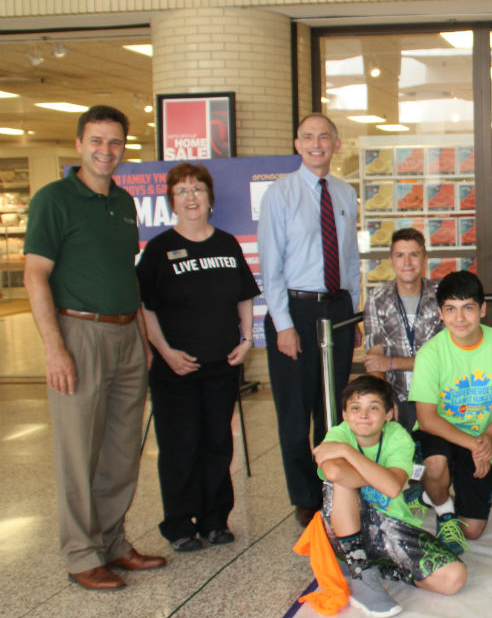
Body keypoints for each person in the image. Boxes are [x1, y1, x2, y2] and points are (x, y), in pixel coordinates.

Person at [23, 105, 166, 590]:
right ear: (79, 143)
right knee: (79, 450)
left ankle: (111, 541)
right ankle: (81, 554)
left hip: (127, 334)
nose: (106, 150)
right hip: (78, 333)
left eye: (115, 142)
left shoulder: (122, 202)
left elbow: (125, 273)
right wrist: (54, 348)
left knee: (122, 450)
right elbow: (35, 275)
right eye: (97, 140)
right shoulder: (54, 199)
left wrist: (142, 338)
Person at [137, 162, 260, 552]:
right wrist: (165, 351)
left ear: (209, 198)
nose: (191, 197)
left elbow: (244, 295)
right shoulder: (158, 250)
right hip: (176, 369)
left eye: (197, 190)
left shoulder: (227, 244)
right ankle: (178, 525)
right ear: (172, 201)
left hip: (221, 365)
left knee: (217, 444)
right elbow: (146, 307)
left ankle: (214, 520)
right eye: (182, 191)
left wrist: (246, 339)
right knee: (181, 446)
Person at [258, 113, 361, 527]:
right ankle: (305, 497)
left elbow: (350, 258)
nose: (316, 143)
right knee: (296, 412)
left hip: (337, 309)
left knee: (332, 407)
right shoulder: (279, 194)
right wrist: (283, 324)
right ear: (297, 144)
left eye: (324, 136)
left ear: (336, 144)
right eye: (307, 137)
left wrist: (353, 314)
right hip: (295, 310)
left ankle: (331, 484)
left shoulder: (345, 192)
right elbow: (270, 266)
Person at [314, 375, 466, 618]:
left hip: (390, 526)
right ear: (344, 414)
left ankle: (385, 570)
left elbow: (393, 488)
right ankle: (360, 569)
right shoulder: (339, 434)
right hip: (346, 532)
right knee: (341, 483)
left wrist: (346, 453)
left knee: (454, 578)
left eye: (373, 408)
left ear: (389, 414)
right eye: (355, 408)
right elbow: (333, 472)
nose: (364, 416)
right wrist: (381, 477)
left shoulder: (397, 437)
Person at [409, 270, 492, 554]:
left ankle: (430, 494)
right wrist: (477, 445)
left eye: (468, 308)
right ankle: (443, 509)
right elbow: (426, 419)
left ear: (483, 309)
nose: (460, 318)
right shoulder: (431, 354)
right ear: (440, 313)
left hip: (480, 435)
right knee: (436, 466)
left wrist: (489, 435)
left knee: (473, 530)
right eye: (451, 309)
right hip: (440, 431)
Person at [362, 228, 443, 433]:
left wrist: (391, 363)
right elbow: (375, 360)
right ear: (391, 261)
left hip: (438, 395)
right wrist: (384, 400)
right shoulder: (377, 298)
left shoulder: (442, 296)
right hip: (395, 393)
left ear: (425, 260)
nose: (407, 262)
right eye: (400, 255)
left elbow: (445, 359)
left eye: (414, 255)